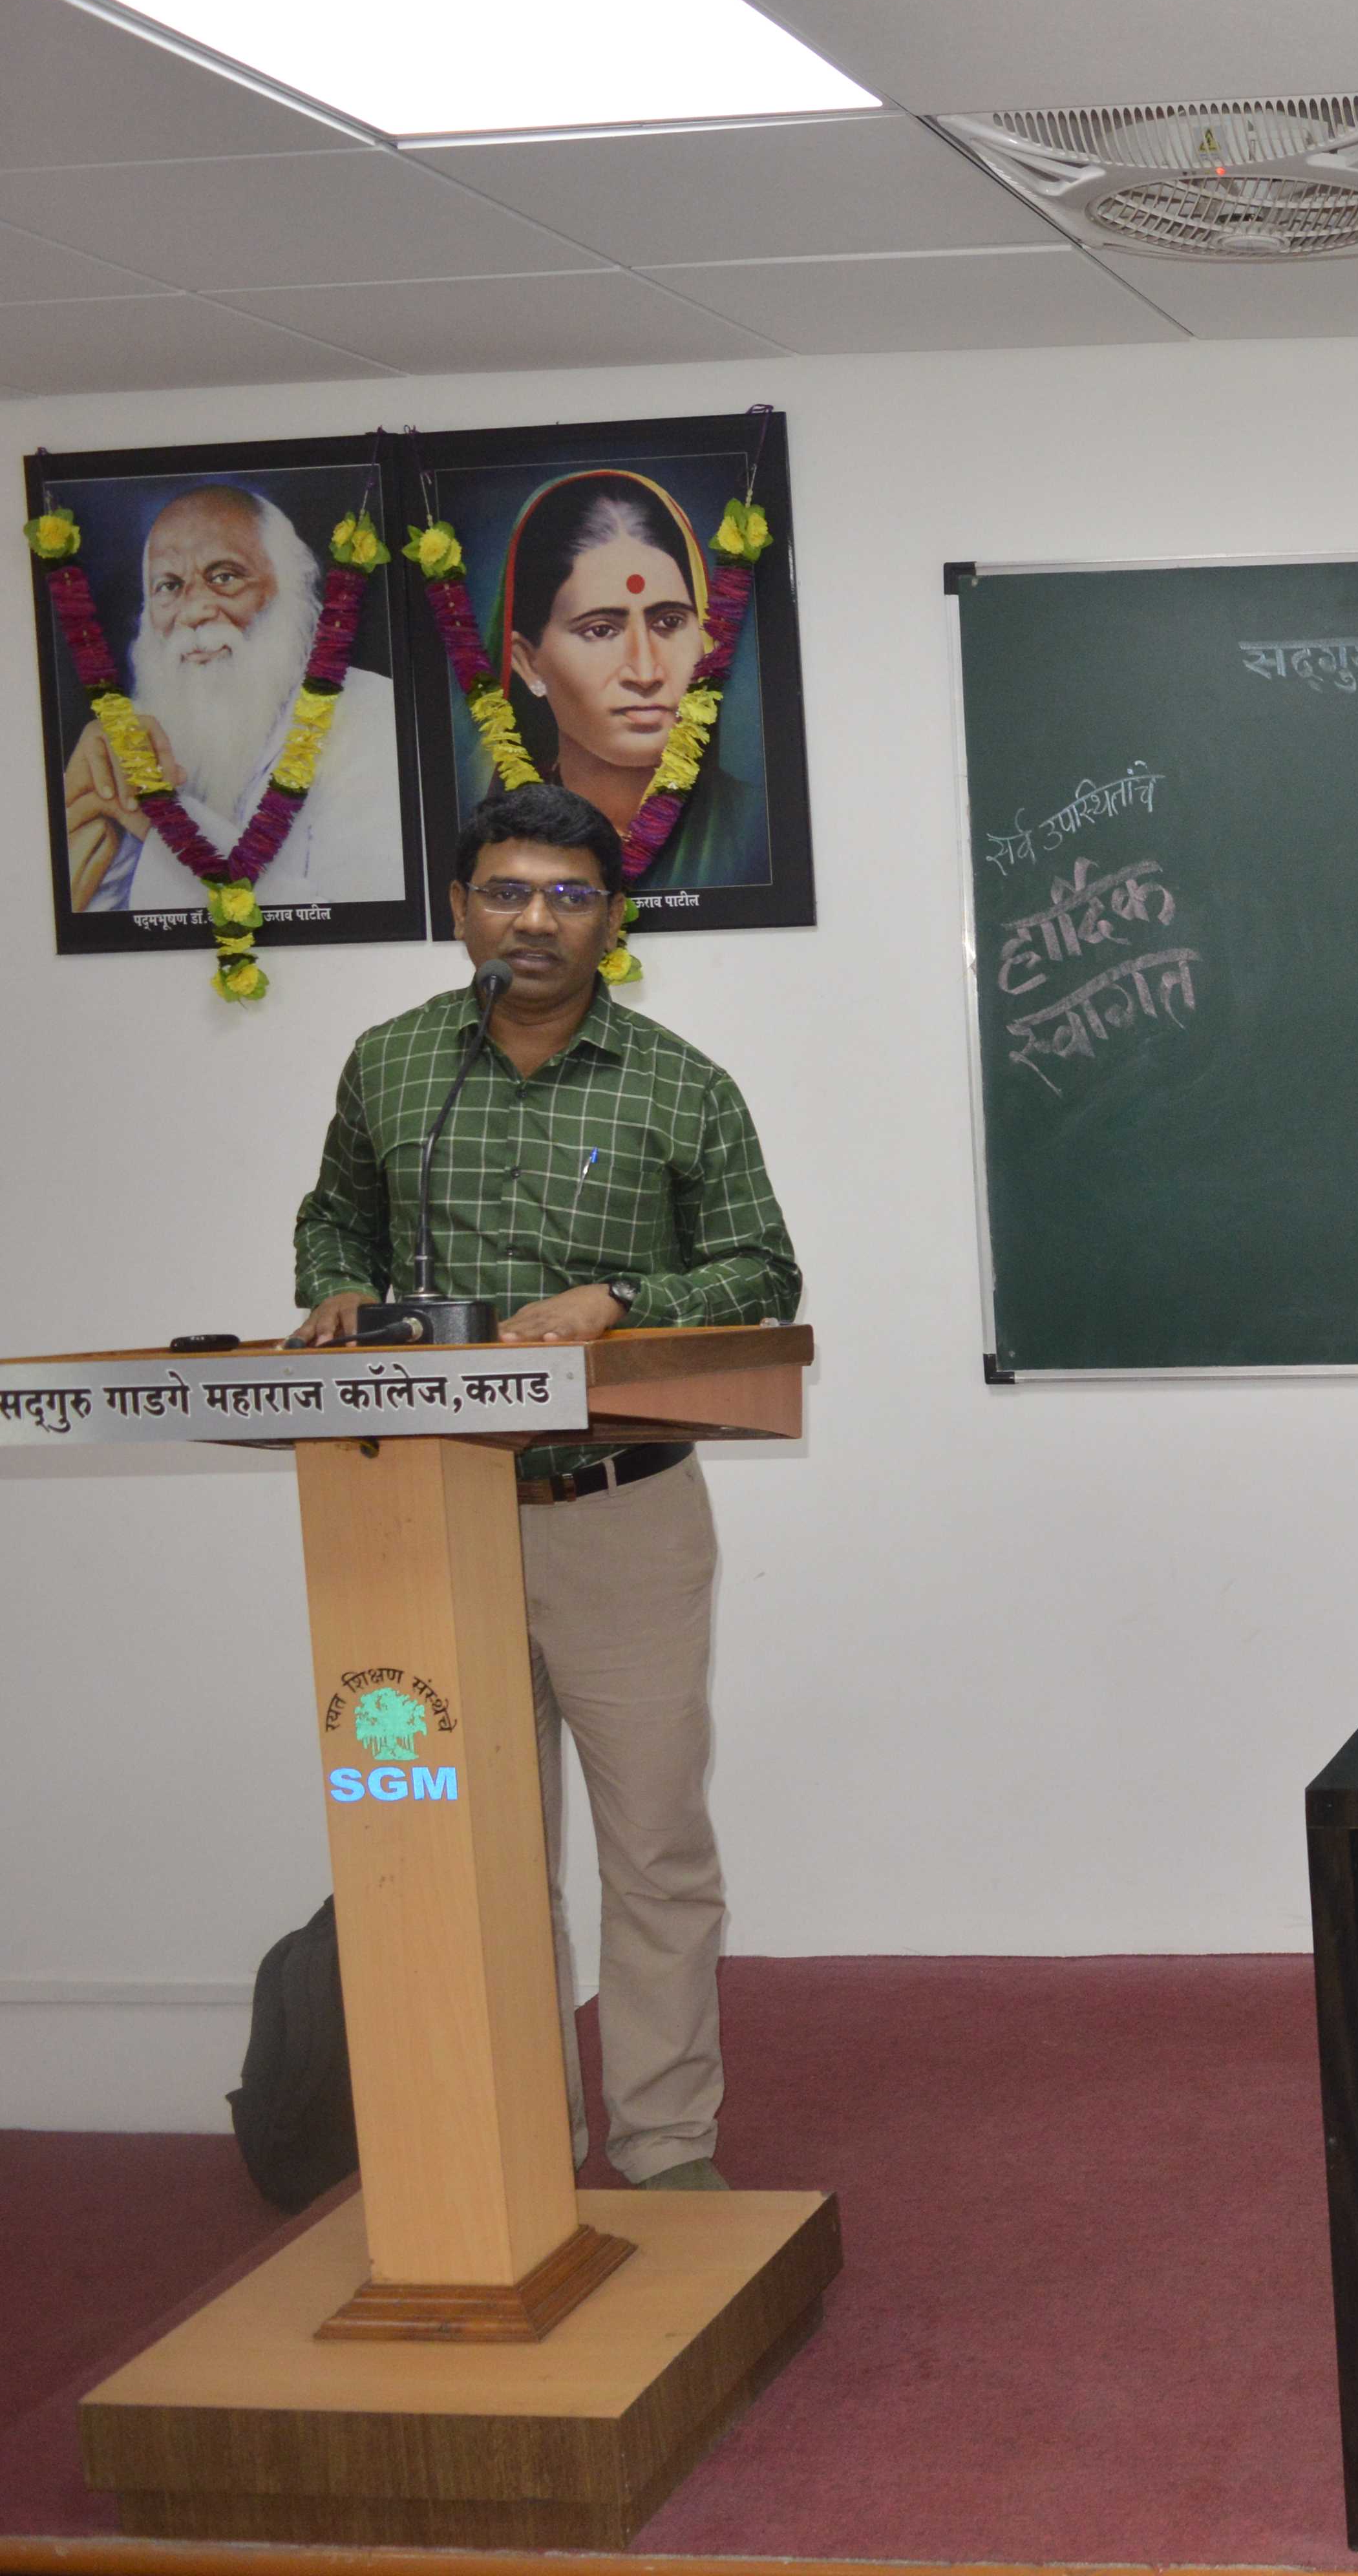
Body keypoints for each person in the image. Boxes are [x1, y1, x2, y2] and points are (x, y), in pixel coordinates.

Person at [288, 783, 801, 2190]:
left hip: (618, 1510)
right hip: (427, 1515)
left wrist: (621, 1297)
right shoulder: (394, 1065)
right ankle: (511, 2148)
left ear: (611, 919)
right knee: (470, 1846)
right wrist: (336, 1284)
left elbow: (763, 1270)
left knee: (654, 1844)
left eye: (570, 896)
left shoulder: (681, 1084)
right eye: (508, 891)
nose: (536, 920)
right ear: (461, 908)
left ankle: (665, 2147)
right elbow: (335, 1216)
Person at [61, 483, 403, 914]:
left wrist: (159, 815)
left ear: (288, 590)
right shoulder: (138, 735)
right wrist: (84, 825)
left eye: (224, 577)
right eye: (169, 585)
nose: (193, 611)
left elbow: (362, 923)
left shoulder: (367, 712)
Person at [483, 469, 769, 894]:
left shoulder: (753, 828)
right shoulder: (494, 848)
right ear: (527, 663)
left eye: (669, 622)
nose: (646, 672)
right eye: (601, 630)